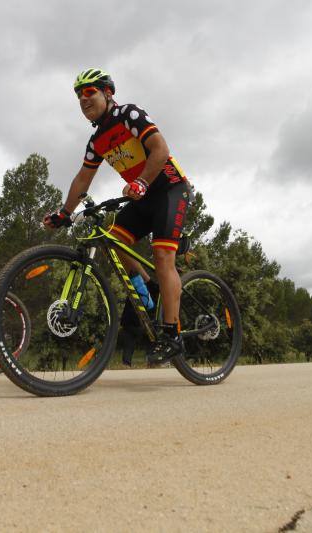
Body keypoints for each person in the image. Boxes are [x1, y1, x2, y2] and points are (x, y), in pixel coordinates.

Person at [43, 68, 192, 365]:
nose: (83, 99)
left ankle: (172, 333)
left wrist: (142, 182)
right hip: (143, 196)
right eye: (78, 95)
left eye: (89, 92)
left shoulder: (129, 115)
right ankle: (148, 293)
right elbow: (83, 179)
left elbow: (160, 150)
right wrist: (65, 213)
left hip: (169, 189)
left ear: (107, 93)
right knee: (113, 240)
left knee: (163, 256)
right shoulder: (97, 141)